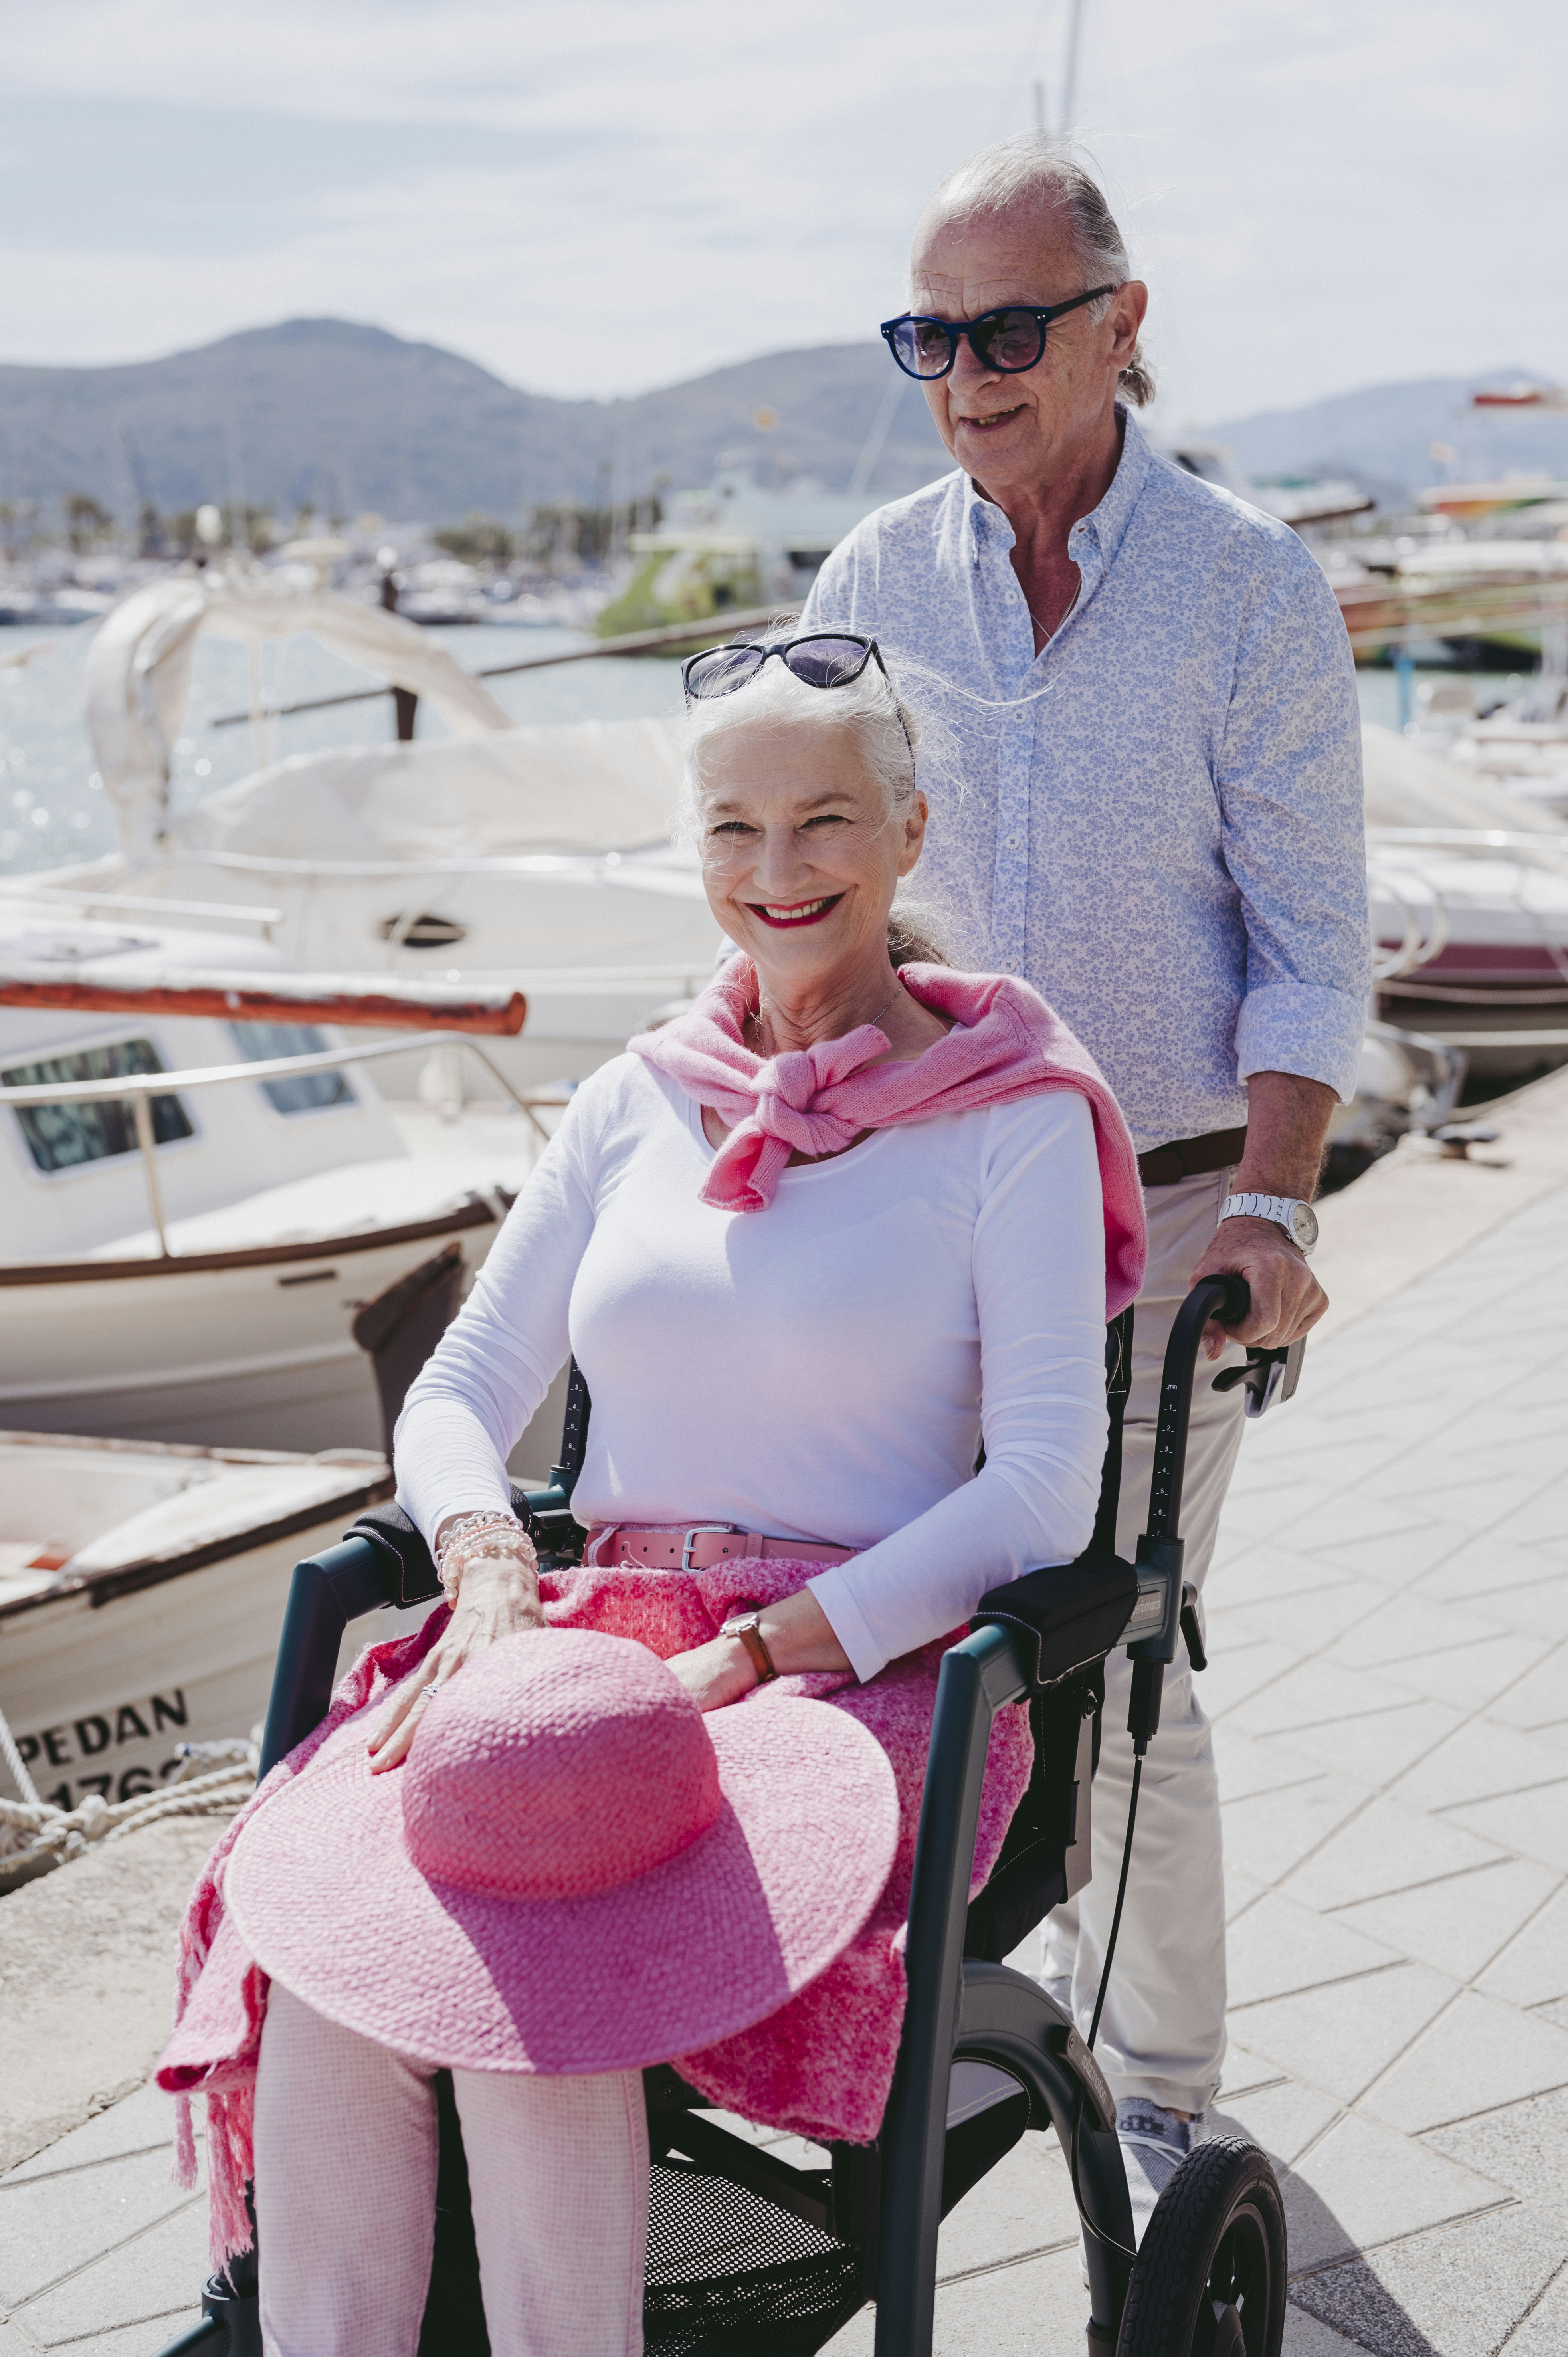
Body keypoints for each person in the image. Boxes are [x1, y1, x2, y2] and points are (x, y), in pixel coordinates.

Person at [160, 642, 1148, 2357]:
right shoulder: (638, 1097)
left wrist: (762, 1654)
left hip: (863, 1669)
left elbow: (1047, 1489)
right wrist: (480, 1577)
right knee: (336, 1965)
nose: (778, 876)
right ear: (691, 849)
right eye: (734, 829)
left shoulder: (1013, 1122)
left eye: (824, 822)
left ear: (907, 831)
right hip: (574, 1641)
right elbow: (464, 1387)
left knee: (537, 1953)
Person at [799, 135, 1372, 2220]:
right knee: (910, 1637)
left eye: (1008, 328)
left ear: (1121, 328)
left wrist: (1280, 1210)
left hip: (1172, 1216)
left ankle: (1157, 2090)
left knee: (1118, 1649)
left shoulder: (1245, 586)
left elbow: (1313, 939)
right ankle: (930, 2021)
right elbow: (822, 883)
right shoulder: (869, 581)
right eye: (926, 335)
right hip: (937, 1207)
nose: (965, 373)